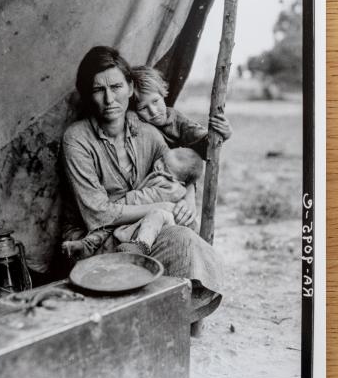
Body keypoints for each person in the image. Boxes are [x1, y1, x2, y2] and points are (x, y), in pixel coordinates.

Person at [61, 46, 224, 300]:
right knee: (181, 238)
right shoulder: (77, 139)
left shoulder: (147, 132)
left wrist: (188, 197)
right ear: (87, 94)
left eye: (116, 87)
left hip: (141, 233)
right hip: (95, 240)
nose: (109, 99)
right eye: (98, 90)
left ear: (130, 88)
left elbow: (175, 170)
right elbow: (99, 213)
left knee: (186, 227)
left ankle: (171, 312)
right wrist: (164, 207)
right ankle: (166, 313)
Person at [62, 146, 203, 259]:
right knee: (108, 229)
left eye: (166, 169)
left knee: (153, 216)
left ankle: (140, 247)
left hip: (154, 223)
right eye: (162, 159)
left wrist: (122, 202)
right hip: (140, 218)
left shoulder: (171, 188)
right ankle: (86, 246)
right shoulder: (164, 177)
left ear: (180, 181)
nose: (159, 166)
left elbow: (144, 197)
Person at [131, 65, 232, 158]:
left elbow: (202, 142)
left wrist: (224, 134)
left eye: (155, 101)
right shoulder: (135, 122)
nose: (153, 112)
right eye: (143, 108)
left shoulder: (177, 120)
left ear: (162, 95)